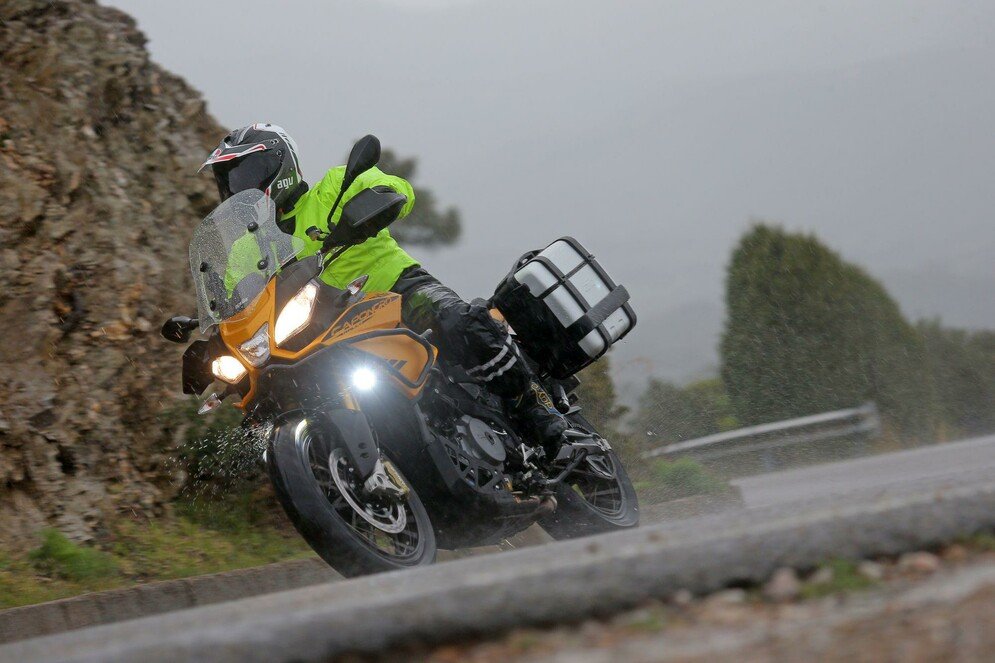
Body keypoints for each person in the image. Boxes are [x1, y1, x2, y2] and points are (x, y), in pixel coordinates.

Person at [200, 124, 567, 457]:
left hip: (397, 288)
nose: (238, 189)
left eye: (246, 174)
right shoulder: (245, 251)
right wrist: (215, 340)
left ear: (279, 166)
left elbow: (399, 191)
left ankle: (537, 409)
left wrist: (377, 200)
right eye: (229, 181)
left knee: (459, 322)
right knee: (265, 406)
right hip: (323, 332)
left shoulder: (334, 187)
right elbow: (240, 306)